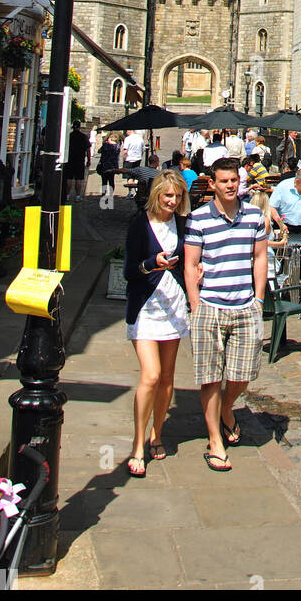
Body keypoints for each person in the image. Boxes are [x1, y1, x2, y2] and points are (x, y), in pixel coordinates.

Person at [184, 157, 269, 472]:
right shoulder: (198, 219)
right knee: (210, 378)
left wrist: (258, 299)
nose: (230, 185)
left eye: (234, 180)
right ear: (213, 183)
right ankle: (215, 441)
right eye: (224, 181)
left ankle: (227, 408)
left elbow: (259, 257)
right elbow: (191, 264)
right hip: (210, 305)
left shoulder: (253, 216)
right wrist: (196, 306)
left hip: (245, 305)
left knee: (242, 374)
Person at [123, 170, 191, 476]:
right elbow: (128, 270)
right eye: (168, 196)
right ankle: (138, 444)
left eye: (177, 197)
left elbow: (189, 263)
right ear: (156, 195)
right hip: (146, 308)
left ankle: (157, 434)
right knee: (150, 376)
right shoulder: (140, 223)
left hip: (174, 307)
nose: (173, 202)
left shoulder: (181, 224)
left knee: (167, 379)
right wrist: (153, 264)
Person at [268, 164, 301, 244]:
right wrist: (280, 223)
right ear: (297, 181)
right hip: (286, 226)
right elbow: (272, 207)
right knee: (286, 252)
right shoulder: (283, 186)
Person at [247, 187, 289, 286]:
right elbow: (260, 242)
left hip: (251, 258)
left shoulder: (249, 220)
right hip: (266, 258)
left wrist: (281, 224)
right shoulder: (264, 220)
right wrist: (279, 244)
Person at [65, 121, 90, 201]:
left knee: (69, 178)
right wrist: (89, 159)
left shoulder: (69, 136)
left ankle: (67, 195)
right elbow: (88, 149)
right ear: (79, 127)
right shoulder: (83, 137)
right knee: (78, 179)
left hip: (69, 160)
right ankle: (78, 196)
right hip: (79, 160)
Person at [96, 132, 121, 198]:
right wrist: (117, 167)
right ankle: (111, 194)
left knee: (104, 181)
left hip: (104, 165)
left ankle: (103, 194)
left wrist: (105, 142)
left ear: (110, 138)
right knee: (111, 180)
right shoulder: (117, 147)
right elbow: (116, 158)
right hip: (112, 166)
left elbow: (99, 151)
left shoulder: (105, 145)